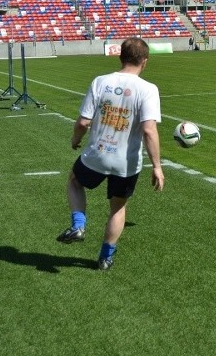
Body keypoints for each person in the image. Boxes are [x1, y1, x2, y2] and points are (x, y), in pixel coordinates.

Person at [56, 37, 165, 271]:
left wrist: (75, 139)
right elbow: (149, 130)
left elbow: (83, 122)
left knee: (75, 180)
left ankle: (78, 224)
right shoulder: (148, 89)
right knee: (117, 208)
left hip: (97, 154)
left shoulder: (101, 82)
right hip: (126, 162)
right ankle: (105, 257)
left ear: (120, 56)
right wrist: (157, 166)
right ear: (145, 62)